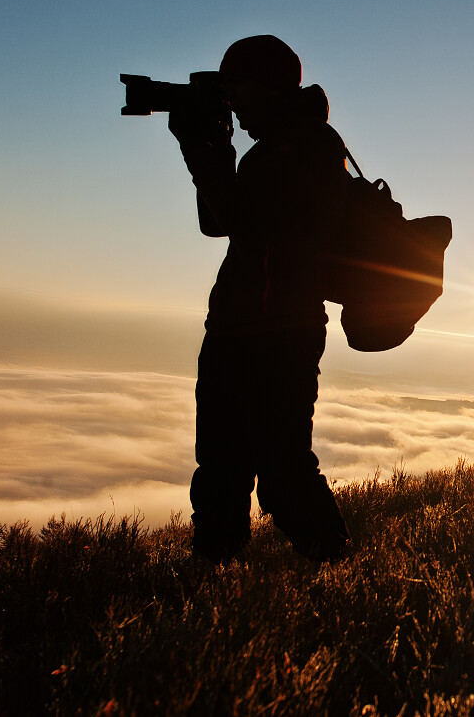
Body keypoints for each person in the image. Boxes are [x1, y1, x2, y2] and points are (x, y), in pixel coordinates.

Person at [168, 34, 351, 564]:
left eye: (236, 90)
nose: (233, 104)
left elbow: (245, 223)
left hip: (279, 334)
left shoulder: (308, 146)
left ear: (265, 86)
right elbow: (216, 223)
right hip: (235, 331)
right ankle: (209, 584)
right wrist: (211, 148)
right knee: (220, 474)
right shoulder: (271, 150)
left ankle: (337, 572)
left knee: (282, 475)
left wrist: (204, 150)